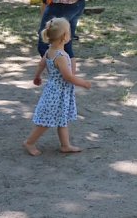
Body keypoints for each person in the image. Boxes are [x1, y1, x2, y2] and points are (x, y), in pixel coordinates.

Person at [23, 17, 91, 156]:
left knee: (62, 118)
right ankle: (29, 142)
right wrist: (83, 83)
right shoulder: (61, 56)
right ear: (65, 36)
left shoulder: (50, 51)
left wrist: (37, 76)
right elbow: (68, 77)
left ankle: (65, 145)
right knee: (46, 121)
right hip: (57, 93)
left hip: (55, 90)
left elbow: (41, 64)